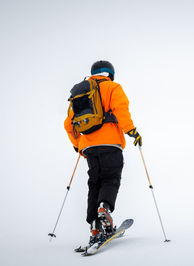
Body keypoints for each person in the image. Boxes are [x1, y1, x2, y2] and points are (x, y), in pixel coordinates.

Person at [64, 60, 142, 248]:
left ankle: (94, 227)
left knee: (94, 183)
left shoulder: (80, 92)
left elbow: (68, 124)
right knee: (110, 178)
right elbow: (120, 109)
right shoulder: (112, 87)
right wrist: (131, 131)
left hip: (89, 147)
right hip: (111, 143)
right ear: (110, 73)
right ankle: (104, 208)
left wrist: (78, 146)